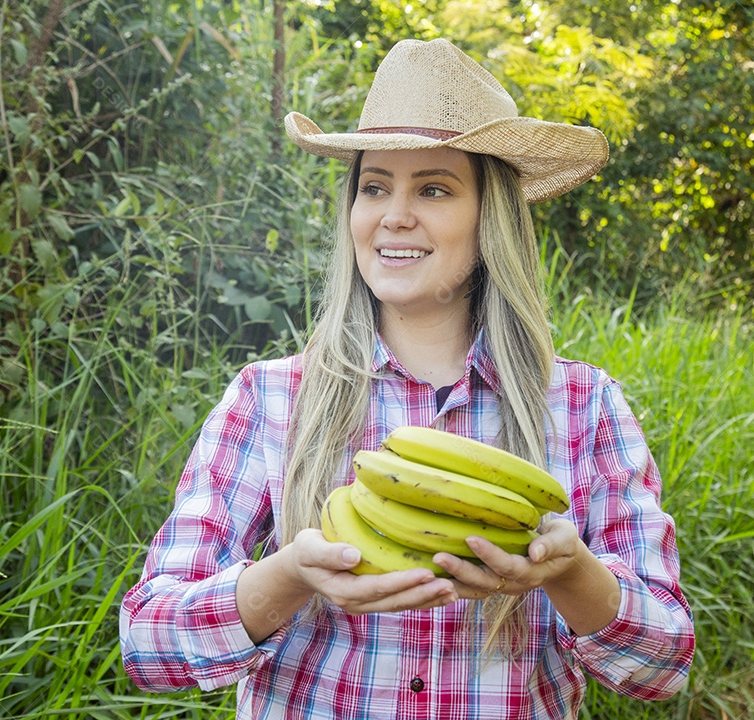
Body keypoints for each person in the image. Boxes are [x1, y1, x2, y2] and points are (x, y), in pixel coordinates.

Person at [119, 37, 695, 719]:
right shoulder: (269, 399)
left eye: (433, 188)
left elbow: (664, 666)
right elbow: (147, 645)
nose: (394, 214)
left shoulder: (581, 405)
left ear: (491, 219)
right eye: (373, 187)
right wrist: (285, 578)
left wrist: (571, 572)